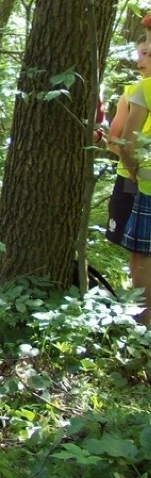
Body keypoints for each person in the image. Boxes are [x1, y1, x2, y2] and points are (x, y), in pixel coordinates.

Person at [116, 48, 151, 327]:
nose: (141, 59)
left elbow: (127, 140)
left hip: (146, 184)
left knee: (142, 256)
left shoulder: (145, 88)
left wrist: (135, 171)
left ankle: (144, 322)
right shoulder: (138, 89)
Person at [105, 41, 151, 247]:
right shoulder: (131, 93)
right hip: (129, 180)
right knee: (131, 244)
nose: (141, 59)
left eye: (146, 53)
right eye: (140, 54)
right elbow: (114, 140)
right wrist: (134, 165)